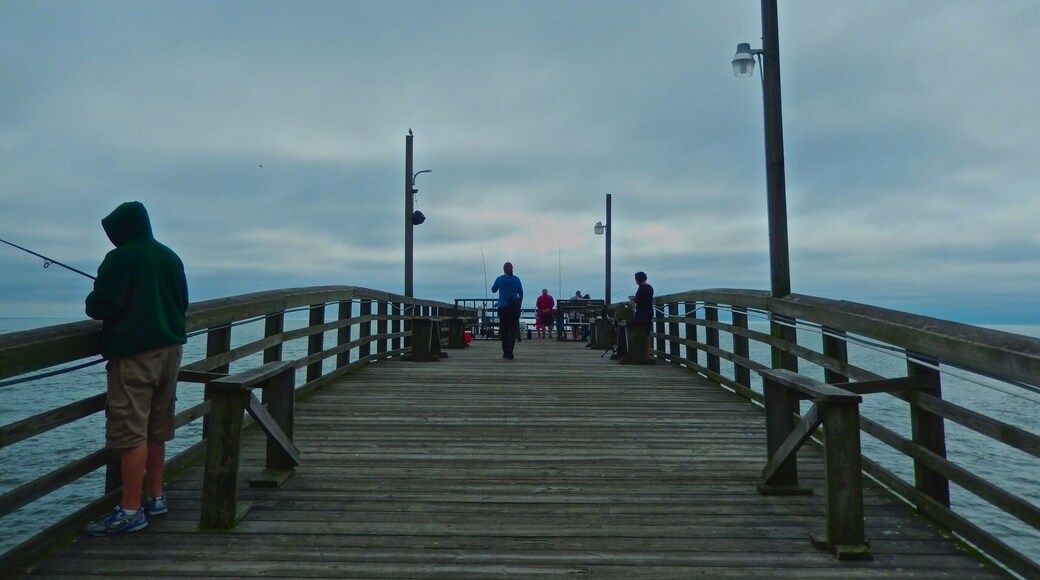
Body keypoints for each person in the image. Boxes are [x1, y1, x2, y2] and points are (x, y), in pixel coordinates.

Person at [84, 201, 189, 536]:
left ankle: (130, 510)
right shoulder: (170, 257)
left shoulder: (121, 257)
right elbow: (181, 302)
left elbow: (102, 305)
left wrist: (94, 298)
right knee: (157, 428)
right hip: (170, 352)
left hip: (134, 356)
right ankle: (155, 496)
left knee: (131, 433)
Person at [491, 262, 523, 359]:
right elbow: (521, 293)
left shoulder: (499, 279)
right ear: (512, 268)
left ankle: (505, 351)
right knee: (512, 330)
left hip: (502, 307)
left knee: (504, 329)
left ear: (503, 269)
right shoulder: (516, 279)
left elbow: (493, 290)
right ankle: (510, 351)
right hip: (513, 308)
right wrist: (519, 305)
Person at [629, 271, 654, 358]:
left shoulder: (642, 288)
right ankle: (646, 354)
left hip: (641, 311)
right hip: (649, 310)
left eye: (636, 279)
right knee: (647, 332)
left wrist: (632, 298)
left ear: (638, 279)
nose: (635, 281)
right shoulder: (650, 287)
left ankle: (638, 352)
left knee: (638, 331)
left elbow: (638, 299)